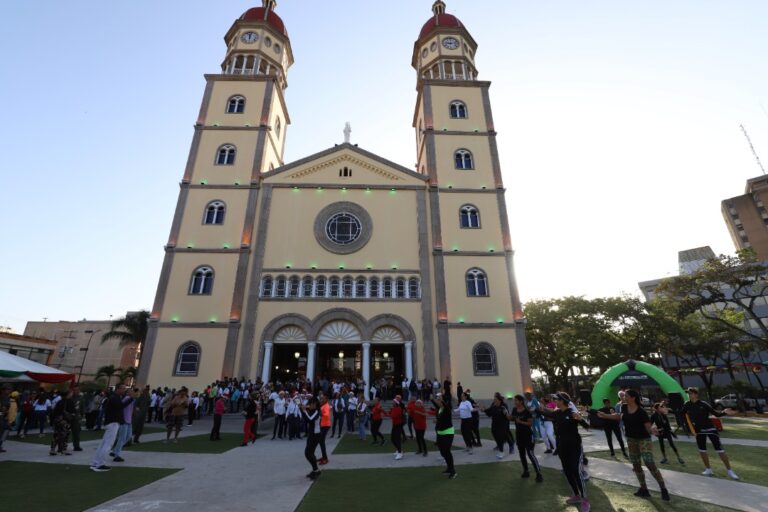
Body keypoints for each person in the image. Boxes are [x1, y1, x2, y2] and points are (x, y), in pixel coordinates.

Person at [598, 389, 670, 501]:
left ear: (633, 398)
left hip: (643, 439)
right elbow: (618, 416)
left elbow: (648, 428)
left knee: (649, 463)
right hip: (631, 439)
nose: (623, 398)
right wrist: (605, 415)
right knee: (636, 464)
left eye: (626, 396)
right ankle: (644, 489)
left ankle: (663, 489)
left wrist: (654, 430)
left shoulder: (641, 412)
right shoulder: (624, 407)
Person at [541, 392, 590, 512]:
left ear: (562, 400)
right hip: (562, 447)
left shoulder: (572, 413)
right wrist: (538, 407)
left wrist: (581, 419)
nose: (554, 400)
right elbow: (546, 412)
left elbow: (587, 427)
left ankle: (585, 500)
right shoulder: (557, 413)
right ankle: (576, 495)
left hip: (574, 446)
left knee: (576, 471)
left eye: (556, 399)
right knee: (567, 472)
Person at [681, 387, 739, 479]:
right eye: (688, 393)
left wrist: (725, 412)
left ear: (696, 394)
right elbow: (680, 413)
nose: (689, 395)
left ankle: (730, 471)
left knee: (720, 450)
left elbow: (716, 414)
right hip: (698, 430)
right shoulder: (687, 404)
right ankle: (708, 469)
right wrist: (668, 411)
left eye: (691, 393)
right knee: (702, 450)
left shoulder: (703, 404)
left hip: (710, 429)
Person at [90, 385, 129, 472]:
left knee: (103, 444)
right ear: (118, 389)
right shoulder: (114, 398)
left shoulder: (116, 397)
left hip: (112, 423)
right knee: (108, 444)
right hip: (113, 423)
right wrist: (131, 398)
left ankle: (95, 462)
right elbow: (121, 406)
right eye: (123, 389)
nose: (124, 390)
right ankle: (100, 464)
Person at [509, 394, 543, 482]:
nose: (515, 402)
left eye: (516, 400)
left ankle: (538, 473)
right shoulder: (514, 410)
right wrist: (508, 417)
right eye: (514, 401)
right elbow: (512, 418)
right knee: (522, 454)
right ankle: (526, 471)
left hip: (528, 435)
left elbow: (530, 424)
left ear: (521, 401)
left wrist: (520, 421)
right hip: (519, 435)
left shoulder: (527, 411)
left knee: (530, 454)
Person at [433, 393, 457, 479]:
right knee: (442, 452)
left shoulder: (446, 409)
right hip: (440, 434)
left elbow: (446, 406)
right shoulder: (440, 409)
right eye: (438, 400)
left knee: (447, 451)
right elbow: (440, 418)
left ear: (443, 402)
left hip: (448, 433)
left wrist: (441, 399)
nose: (438, 401)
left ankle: (453, 471)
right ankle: (449, 468)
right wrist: (433, 399)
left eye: (439, 400)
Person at [300, 396, 322, 480]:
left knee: (308, 453)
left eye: (312, 403)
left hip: (316, 435)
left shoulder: (317, 412)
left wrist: (304, 410)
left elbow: (310, 419)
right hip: (312, 434)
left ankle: (316, 470)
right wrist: (303, 410)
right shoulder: (312, 411)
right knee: (309, 453)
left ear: (315, 404)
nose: (310, 405)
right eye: (310, 403)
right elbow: (306, 418)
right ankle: (315, 470)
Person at [483, 394, 512, 459]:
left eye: (495, 400)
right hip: (494, 425)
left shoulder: (503, 407)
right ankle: (500, 447)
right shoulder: (493, 406)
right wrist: (484, 410)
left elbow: (507, 416)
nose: (494, 401)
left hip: (502, 425)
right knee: (496, 436)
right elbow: (489, 413)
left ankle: (502, 451)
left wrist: (507, 415)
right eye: (494, 400)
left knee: (501, 438)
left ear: (499, 401)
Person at [385, 395, 405, 460]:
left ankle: (400, 453)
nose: (392, 403)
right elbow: (390, 413)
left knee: (397, 439)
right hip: (395, 425)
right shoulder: (394, 408)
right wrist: (386, 413)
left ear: (396, 403)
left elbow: (393, 416)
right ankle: (399, 450)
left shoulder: (398, 409)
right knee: (393, 439)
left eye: (393, 402)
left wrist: (387, 414)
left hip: (398, 425)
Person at [317, 392, 331, 465]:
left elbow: (327, 415)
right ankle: (324, 457)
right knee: (321, 442)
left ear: (326, 399)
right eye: (321, 398)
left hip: (326, 425)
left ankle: (325, 458)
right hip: (323, 425)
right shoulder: (323, 405)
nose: (321, 399)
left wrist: (320, 413)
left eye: (323, 398)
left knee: (321, 441)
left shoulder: (326, 406)